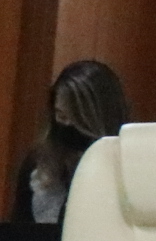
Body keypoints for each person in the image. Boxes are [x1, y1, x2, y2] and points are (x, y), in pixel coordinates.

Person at [9, 59, 129, 225]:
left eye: (76, 119)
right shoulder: (37, 165)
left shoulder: (125, 168)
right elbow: (20, 229)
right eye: (61, 115)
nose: (66, 126)